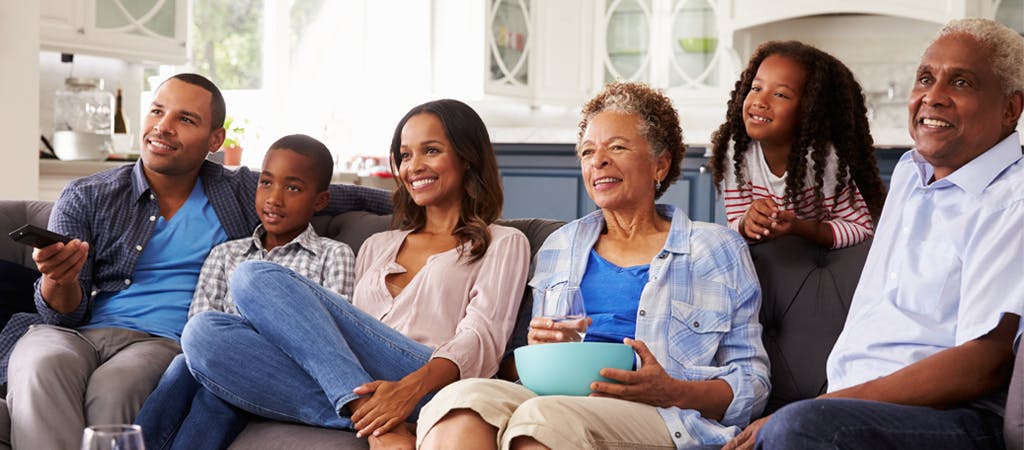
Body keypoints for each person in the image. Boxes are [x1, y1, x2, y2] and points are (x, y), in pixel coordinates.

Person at [3, 73, 391, 450]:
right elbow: (62, 317)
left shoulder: (239, 191)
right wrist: (60, 279)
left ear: (215, 138)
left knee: (115, 388)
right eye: (157, 112)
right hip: (77, 332)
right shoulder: (86, 195)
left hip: (160, 342)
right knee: (38, 364)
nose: (163, 127)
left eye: (185, 119)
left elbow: (334, 194)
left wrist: (431, 201)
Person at [417, 81, 770, 450]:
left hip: (660, 414)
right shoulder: (560, 247)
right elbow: (530, 364)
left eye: (617, 147)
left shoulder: (715, 249)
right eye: (588, 151)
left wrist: (672, 390)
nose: (598, 160)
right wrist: (541, 350)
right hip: (554, 399)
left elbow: (753, 382)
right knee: (461, 402)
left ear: (660, 164)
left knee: (543, 419)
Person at [724, 18, 1024, 450]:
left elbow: (984, 364)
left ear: (1010, 109)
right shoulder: (910, 173)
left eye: (960, 82)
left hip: (958, 418)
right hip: (851, 408)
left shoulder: (1011, 200)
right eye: (925, 78)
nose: (932, 97)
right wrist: (824, 404)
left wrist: (821, 407)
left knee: (796, 430)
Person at [175, 99, 531, 449]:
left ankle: (378, 410)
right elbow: (344, 333)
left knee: (254, 277)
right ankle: (372, 419)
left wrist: (409, 390)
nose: (414, 166)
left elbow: (481, 340)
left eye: (431, 151)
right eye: (405, 156)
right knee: (203, 333)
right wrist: (375, 399)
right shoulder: (378, 245)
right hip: (361, 378)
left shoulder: (502, 242)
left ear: (468, 157)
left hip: (432, 379)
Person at [134, 133, 357, 450]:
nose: (274, 198)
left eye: (292, 188)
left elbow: (332, 340)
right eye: (266, 183)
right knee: (189, 368)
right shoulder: (226, 255)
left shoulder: (333, 255)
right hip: (220, 366)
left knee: (215, 381)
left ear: (320, 201)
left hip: (289, 375)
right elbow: (198, 329)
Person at [710, 40, 886, 249]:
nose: (760, 101)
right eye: (756, 87)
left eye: (780, 94)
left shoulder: (822, 158)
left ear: (809, 109)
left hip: (820, 257)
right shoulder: (737, 150)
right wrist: (748, 222)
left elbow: (860, 228)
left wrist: (799, 227)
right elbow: (735, 225)